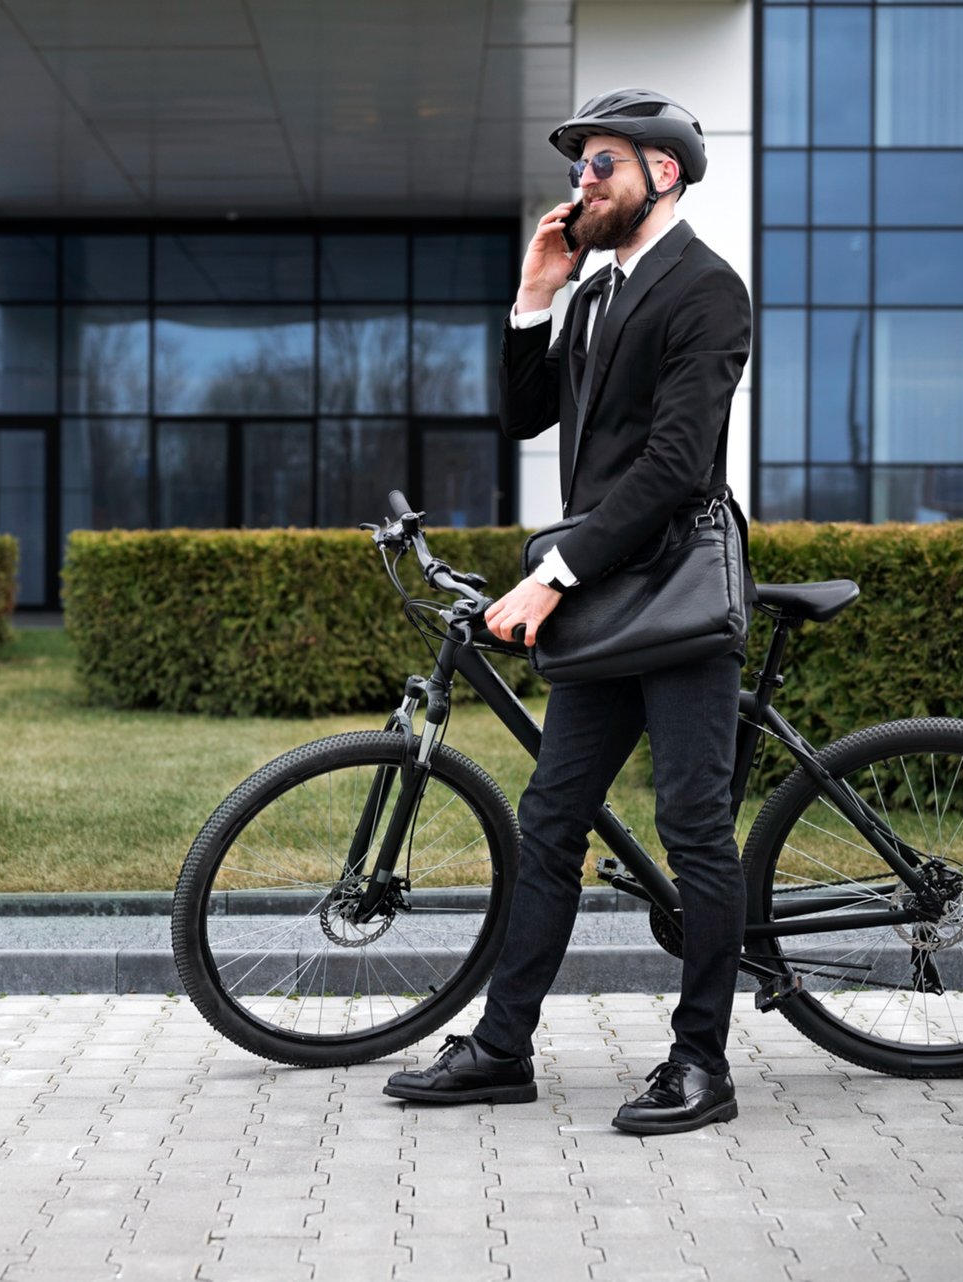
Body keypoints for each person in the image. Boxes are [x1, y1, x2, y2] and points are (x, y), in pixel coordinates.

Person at [383, 89, 753, 1135]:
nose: (581, 184)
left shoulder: (708, 290)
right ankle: (502, 1051)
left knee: (692, 830)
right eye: (579, 168)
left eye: (600, 165)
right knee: (549, 824)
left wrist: (557, 574)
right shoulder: (593, 295)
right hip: (606, 599)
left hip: (671, 594)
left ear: (661, 173)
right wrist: (535, 298)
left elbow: (678, 465)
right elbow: (525, 415)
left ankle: (700, 1062)